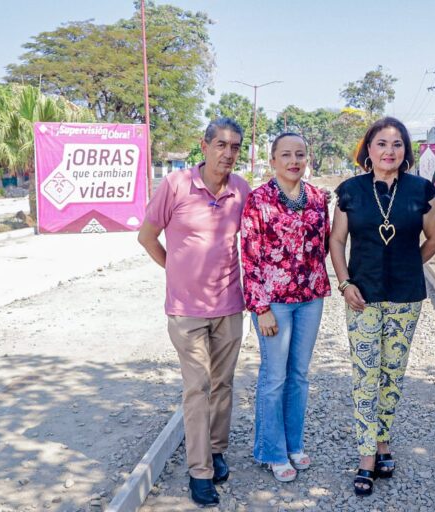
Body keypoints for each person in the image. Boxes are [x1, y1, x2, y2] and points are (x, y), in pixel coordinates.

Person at [138, 118, 251, 507]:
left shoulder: (241, 190)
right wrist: (175, 269)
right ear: (203, 146)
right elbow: (147, 236)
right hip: (186, 311)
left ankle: (217, 450)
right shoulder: (176, 185)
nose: (228, 153)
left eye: (235, 146)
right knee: (197, 388)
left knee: (223, 384)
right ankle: (199, 471)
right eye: (220, 145)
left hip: (229, 305)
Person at [330, 117, 435, 496]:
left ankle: (383, 442)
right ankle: (366, 457)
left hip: (405, 296)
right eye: (381, 143)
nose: (389, 151)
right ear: (369, 150)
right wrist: (345, 283)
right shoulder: (350, 191)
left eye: (397, 144)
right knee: (365, 375)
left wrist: (411, 263)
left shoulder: (420, 189)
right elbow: (337, 241)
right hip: (361, 297)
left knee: (392, 374)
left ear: (405, 151)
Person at [241, 133, 331, 482]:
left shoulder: (317, 198)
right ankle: (273, 450)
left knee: (300, 375)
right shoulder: (257, 200)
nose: (294, 160)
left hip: (310, 298)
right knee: (274, 376)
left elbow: (322, 246)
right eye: (286, 155)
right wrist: (259, 307)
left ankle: (294, 444)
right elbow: (249, 256)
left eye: (300, 154)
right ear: (273, 160)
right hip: (273, 303)